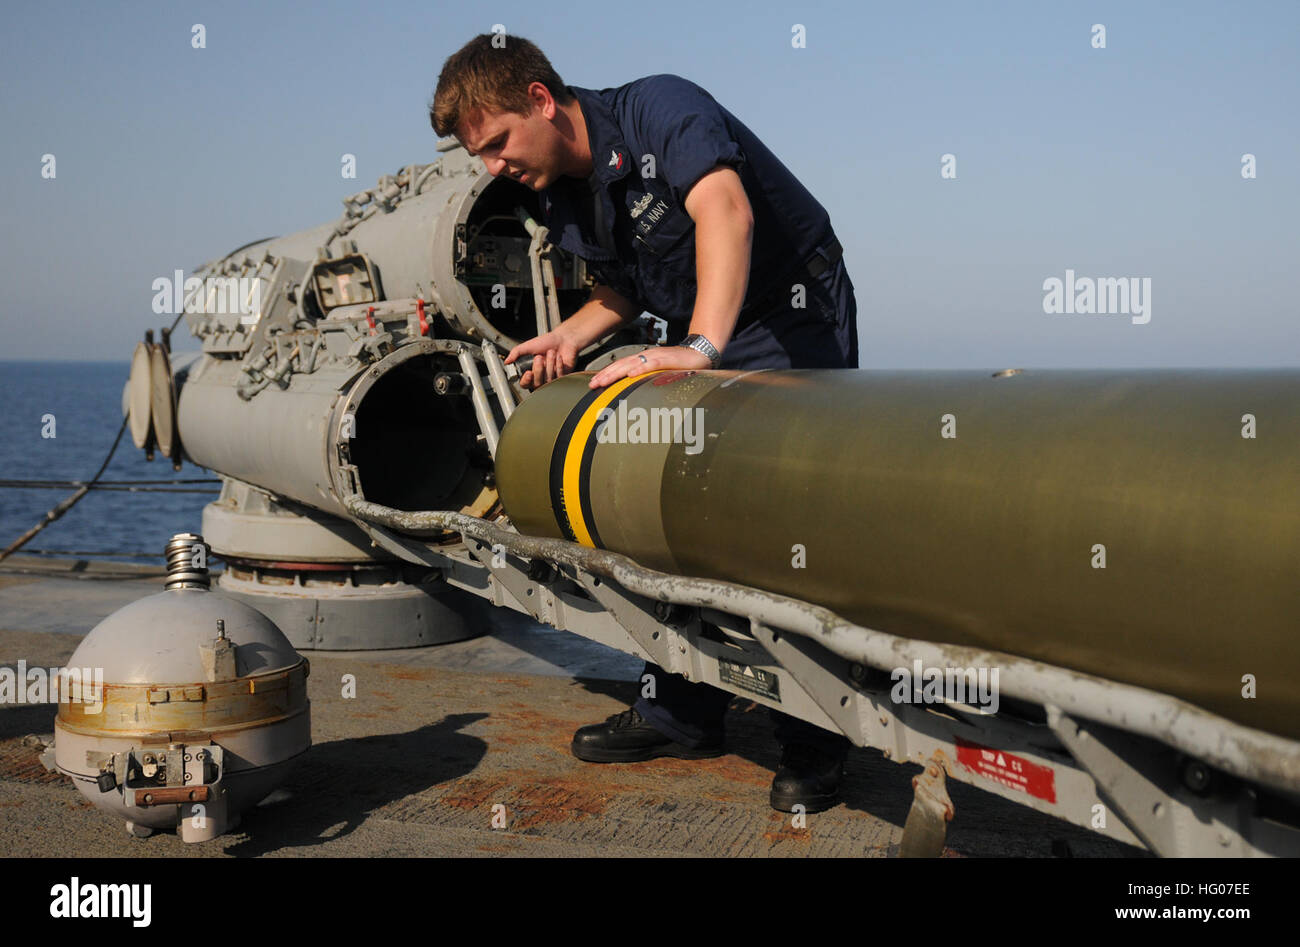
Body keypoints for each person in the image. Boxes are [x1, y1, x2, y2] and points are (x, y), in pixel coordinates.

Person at [431, 34, 858, 812]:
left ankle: (817, 738)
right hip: (707, 325)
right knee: (679, 515)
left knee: (790, 524)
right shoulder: (559, 189)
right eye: (478, 157)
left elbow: (724, 209)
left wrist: (699, 347)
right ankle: (683, 712)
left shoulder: (661, 106)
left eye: (496, 143)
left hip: (788, 312)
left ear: (539, 98)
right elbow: (627, 288)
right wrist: (571, 335)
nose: (492, 166)